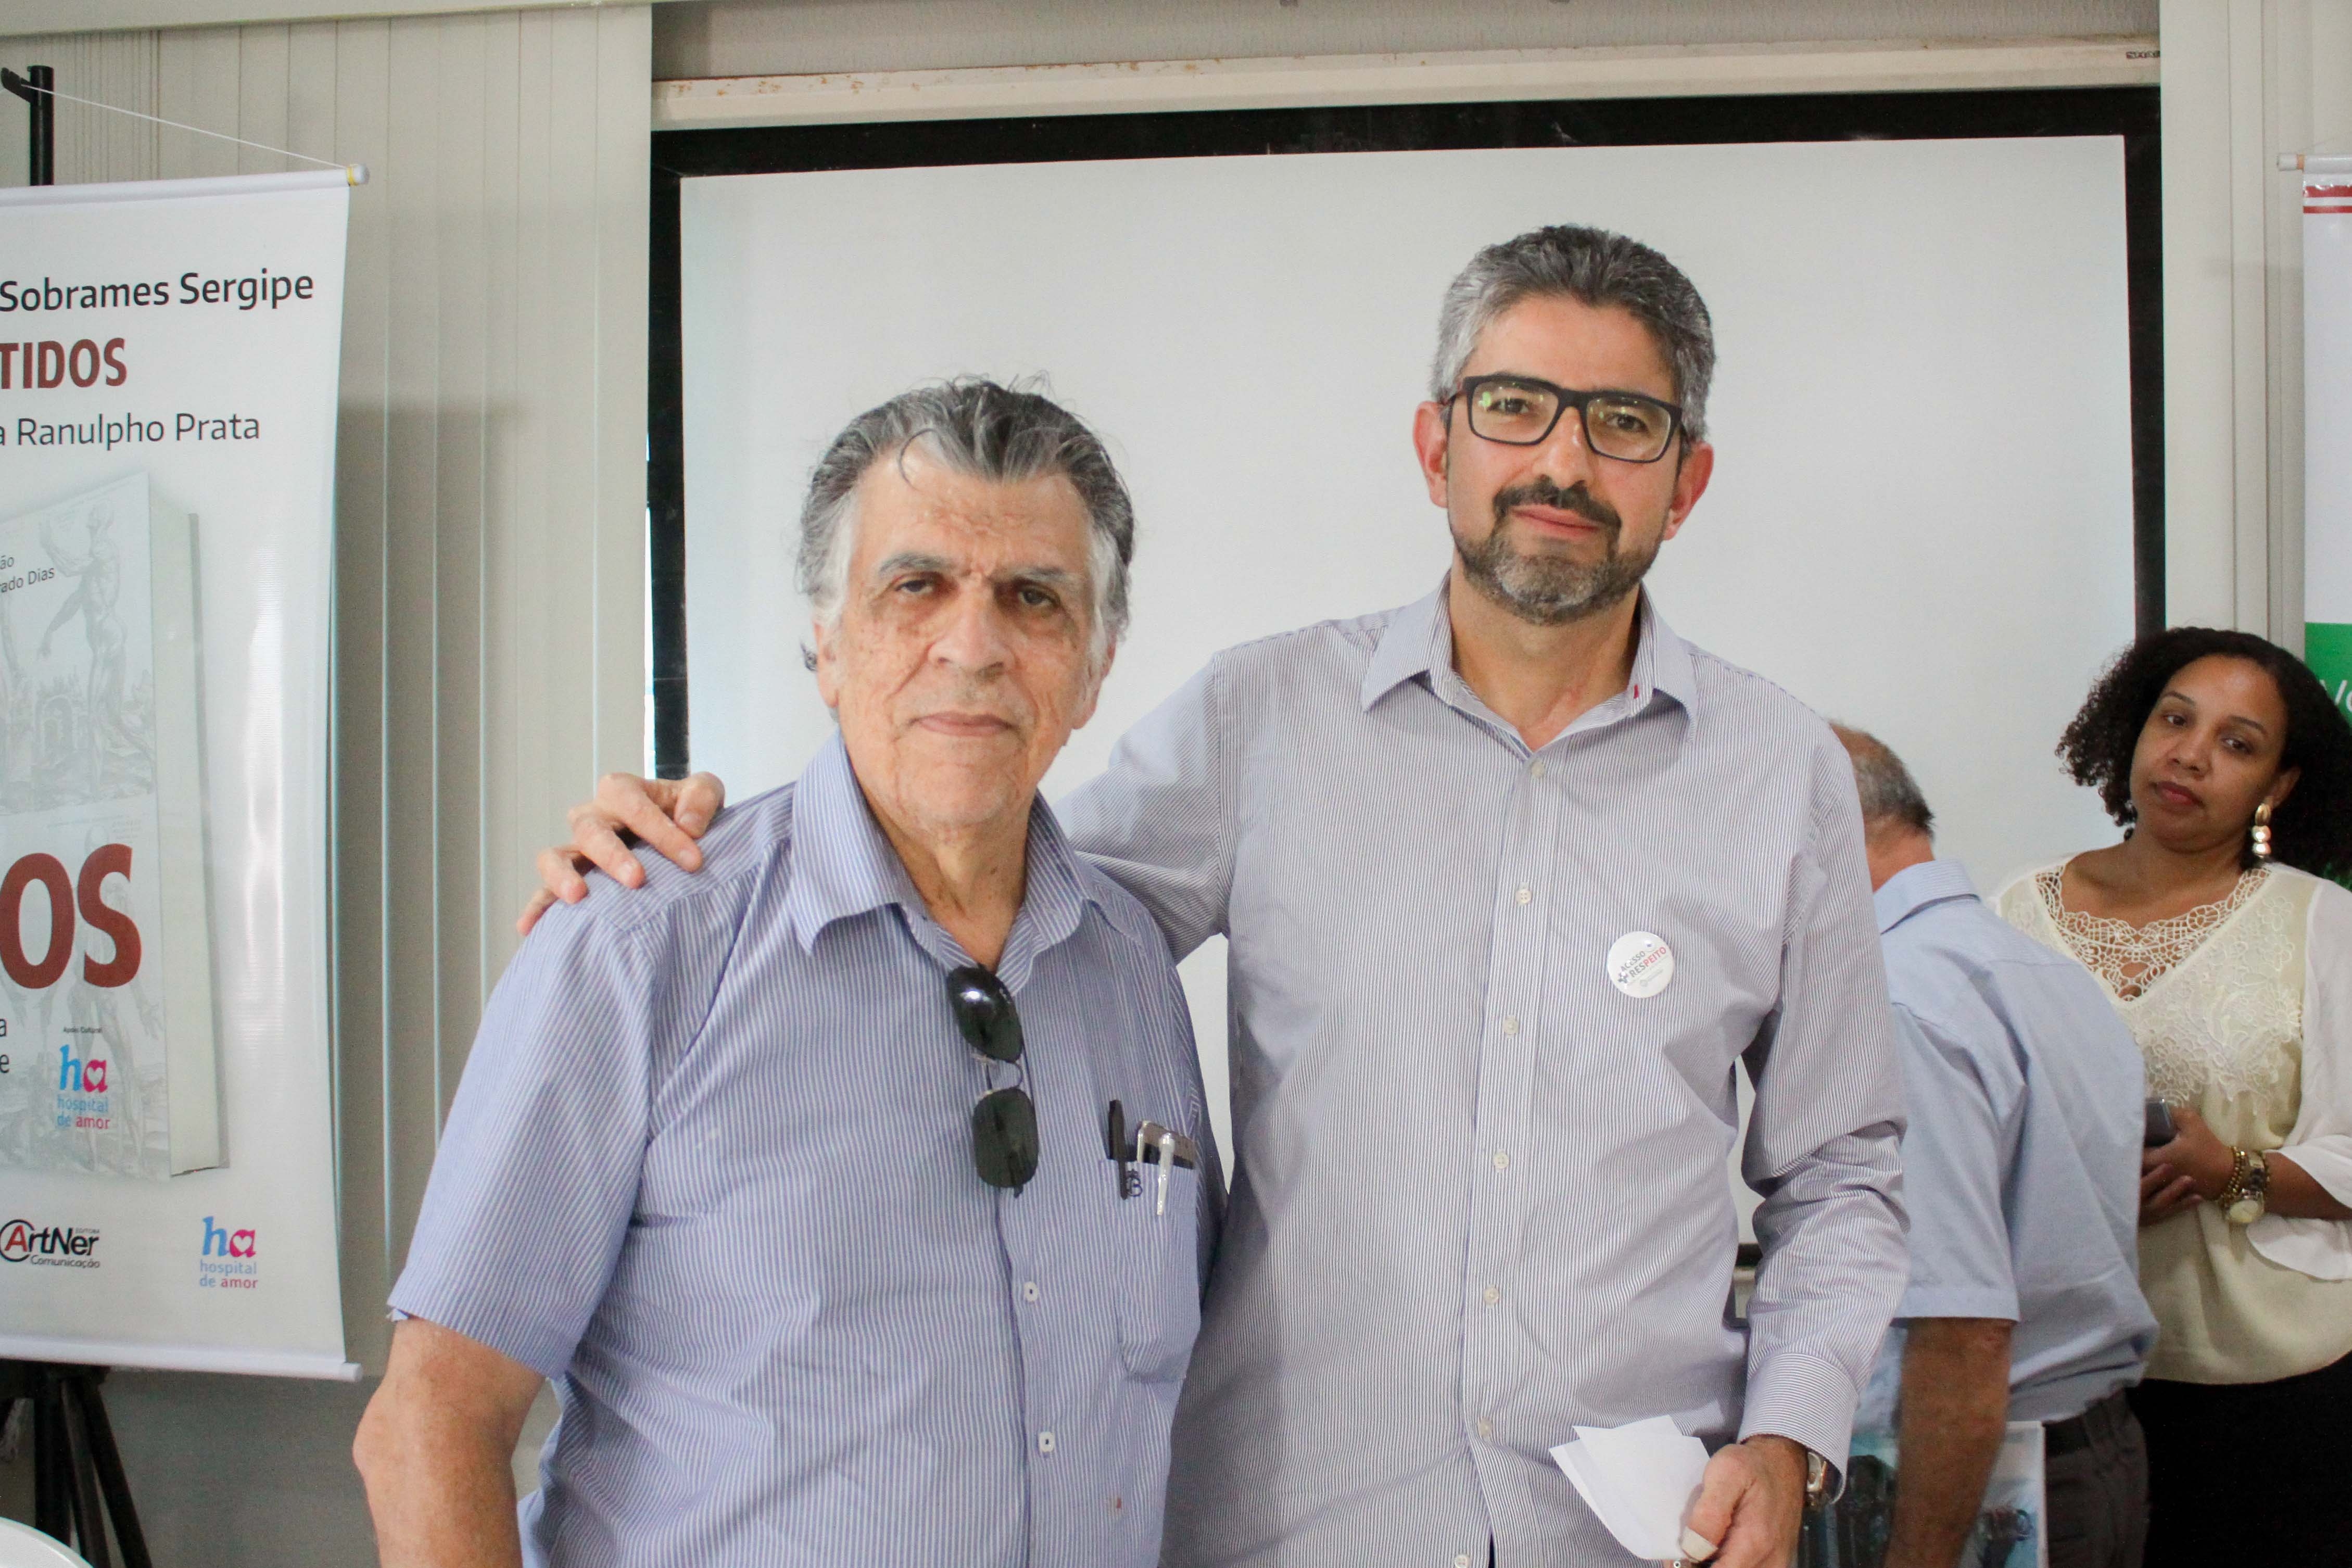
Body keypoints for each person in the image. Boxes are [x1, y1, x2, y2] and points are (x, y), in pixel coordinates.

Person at [531, 225, 1908, 1568]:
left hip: (1638, 1531)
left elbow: (1840, 1169)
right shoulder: (1265, 718)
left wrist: (1788, 1433)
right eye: (1512, 407)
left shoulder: (1778, 770)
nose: (1561, 460)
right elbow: (969, 886)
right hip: (1298, 1521)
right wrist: (707, 848)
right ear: (1436, 446)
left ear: (1688, 478)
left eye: (1622, 422)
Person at [352, 381, 1221, 1567]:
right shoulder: (639, 948)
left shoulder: (1130, 970)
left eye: (1034, 598)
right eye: (916, 587)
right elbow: (429, 1425)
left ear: (1095, 663)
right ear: (827, 642)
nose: (973, 646)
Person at [1993, 628, 2352, 1568]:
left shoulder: (2323, 924)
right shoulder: (2015, 912)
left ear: (2277, 787)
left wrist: (2229, 1169)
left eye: (2236, 744)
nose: (2190, 755)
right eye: (2174, 721)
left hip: (2267, 1395)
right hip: (2056, 1385)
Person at [1832, 726, 2155, 1568]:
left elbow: (1962, 1331)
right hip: (2087, 1455)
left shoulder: (1898, 1003)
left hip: (1970, 1479)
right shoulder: (2037, 969)